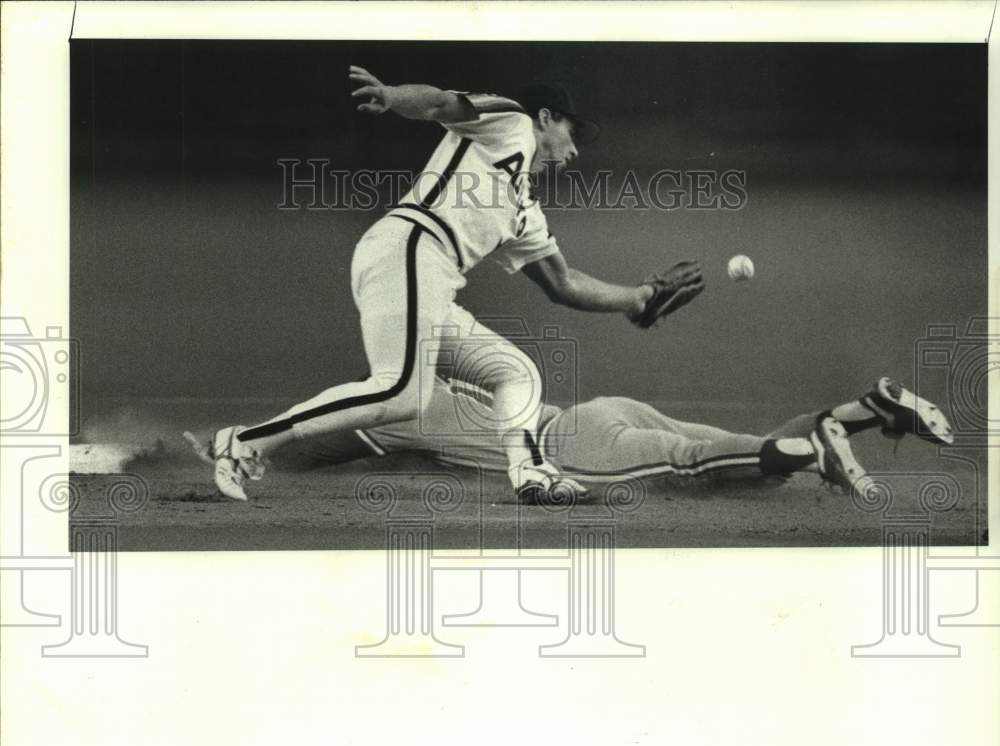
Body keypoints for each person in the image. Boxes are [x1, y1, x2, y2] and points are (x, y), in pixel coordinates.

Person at [200, 66, 701, 505]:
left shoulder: (523, 206)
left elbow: (562, 282)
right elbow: (442, 102)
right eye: (573, 131)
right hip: (411, 248)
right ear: (546, 117)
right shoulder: (511, 121)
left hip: (429, 275)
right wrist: (395, 97)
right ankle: (244, 441)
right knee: (399, 394)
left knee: (515, 373)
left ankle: (529, 472)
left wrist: (637, 297)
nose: (573, 150)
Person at [239, 376, 953, 497]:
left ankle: (802, 452)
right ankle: (865, 408)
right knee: (732, 444)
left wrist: (264, 453)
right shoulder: (455, 385)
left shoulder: (402, 408)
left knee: (693, 463)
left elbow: (322, 443)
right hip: (606, 407)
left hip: (577, 447)